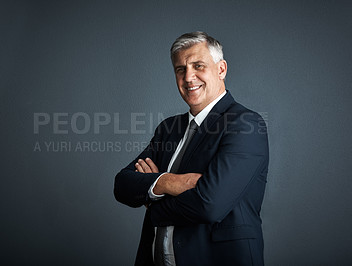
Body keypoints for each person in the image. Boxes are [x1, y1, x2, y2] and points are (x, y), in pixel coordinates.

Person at [114, 31, 269, 266]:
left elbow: (209, 205)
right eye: (180, 69)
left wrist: (151, 200)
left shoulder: (245, 124)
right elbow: (122, 184)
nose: (188, 77)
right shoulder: (169, 128)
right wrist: (170, 182)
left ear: (221, 69)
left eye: (198, 66)